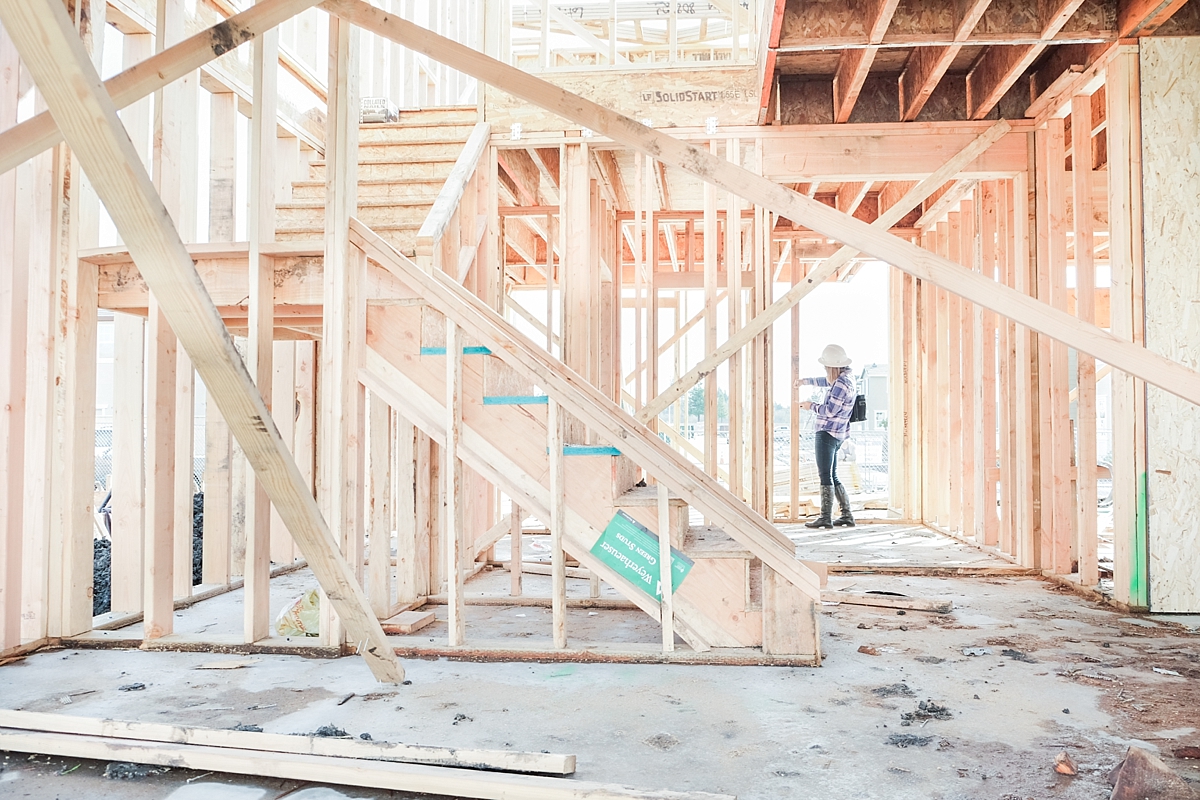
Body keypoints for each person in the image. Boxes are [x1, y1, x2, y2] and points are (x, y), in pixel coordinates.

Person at [795, 343, 857, 529]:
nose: (825, 370)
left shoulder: (840, 384)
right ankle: (846, 515)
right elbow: (827, 381)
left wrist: (810, 406)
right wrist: (805, 381)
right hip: (838, 435)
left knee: (825, 476)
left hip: (827, 434)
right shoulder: (847, 379)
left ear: (832, 367)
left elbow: (829, 410)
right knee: (833, 475)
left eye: (826, 367)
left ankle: (825, 518)